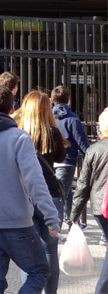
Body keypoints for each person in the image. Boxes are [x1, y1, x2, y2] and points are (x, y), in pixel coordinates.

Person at [0, 86, 60, 293]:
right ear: (11, 109)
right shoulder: (19, 138)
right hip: (18, 222)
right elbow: (35, 182)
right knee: (39, 271)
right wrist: (51, 216)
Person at [11, 91, 67, 294]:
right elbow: (61, 156)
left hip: (24, 196)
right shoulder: (52, 132)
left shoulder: (17, 132)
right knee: (50, 250)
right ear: (45, 108)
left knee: (28, 252)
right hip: (50, 196)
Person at [70, 107, 108, 293]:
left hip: (100, 207)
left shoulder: (93, 150)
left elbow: (83, 184)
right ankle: (101, 289)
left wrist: (75, 215)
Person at [51, 84, 90, 226]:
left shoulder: (49, 116)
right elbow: (81, 142)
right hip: (67, 161)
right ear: (69, 99)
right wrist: (90, 156)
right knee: (62, 195)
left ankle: (73, 221)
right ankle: (61, 226)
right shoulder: (72, 118)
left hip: (49, 160)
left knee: (65, 194)